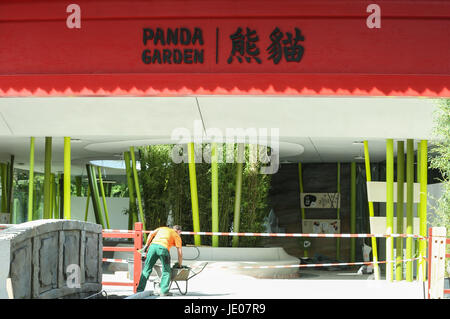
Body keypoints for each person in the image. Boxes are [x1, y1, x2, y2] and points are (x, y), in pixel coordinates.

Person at [136, 225, 183, 295]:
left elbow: (151, 233)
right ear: (179, 231)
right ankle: (164, 291)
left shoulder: (162, 228)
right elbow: (180, 253)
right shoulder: (176, 235)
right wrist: (180, 264)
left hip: (152, 248)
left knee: (146, 269)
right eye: (180, 233)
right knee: (166, 271)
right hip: (163, 249)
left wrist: (146, 245)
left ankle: (139, 290)